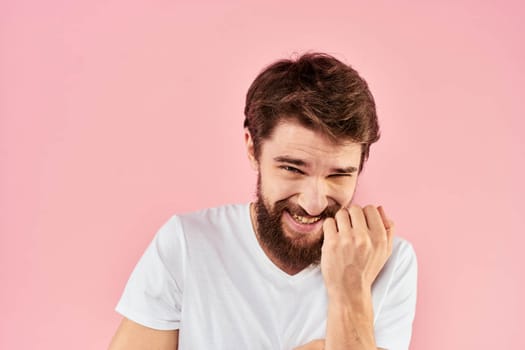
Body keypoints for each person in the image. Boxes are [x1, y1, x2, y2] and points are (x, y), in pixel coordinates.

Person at [108, 52, 417, 350]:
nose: (313, 203)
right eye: (292, 169)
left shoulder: (390, 262)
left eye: (339, 176)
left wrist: (351, 290)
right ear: (252, 150)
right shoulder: (188, 243)